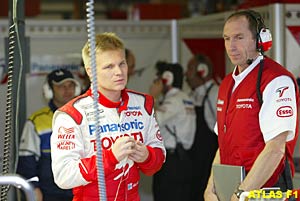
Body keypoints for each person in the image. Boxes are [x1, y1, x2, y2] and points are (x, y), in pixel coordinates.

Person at [50, 32, 166, 201]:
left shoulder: (142, 104)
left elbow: (158, 159)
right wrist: (110, 157)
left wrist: (147, 157)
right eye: (109, 67)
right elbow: (63, 176)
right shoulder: (72, 114)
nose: (119, 72)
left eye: (122, 64)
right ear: (90, 71)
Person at [204, 10, 299, 201]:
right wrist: (210, 188)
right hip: (234, 190)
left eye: (239, 37)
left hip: (266, 191)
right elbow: (222, 145)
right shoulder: (226, 84)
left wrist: (242, 193)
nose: (231, 46)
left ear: (260, 39)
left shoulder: (276, 80)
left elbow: (275, 149)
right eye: (227, 38)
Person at [17, 68, 81, 201]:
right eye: (61, 86)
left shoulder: (87, 117)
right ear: (49, 90)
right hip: (48, 194)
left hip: (80, 192)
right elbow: (26, 161)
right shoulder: (36, 121)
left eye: (70, 86)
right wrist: (33, 188)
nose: (67, 90)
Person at [149, 61, 196, 201]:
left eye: (158, 78)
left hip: (171, 162)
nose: (156, 81)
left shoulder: (173, 101)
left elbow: (152, 120)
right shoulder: (185, 98)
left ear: (167, 79)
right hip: (183, 160)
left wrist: (152, 96)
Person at [185, 54, 219, 201]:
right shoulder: (192, 94)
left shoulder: (214, 93)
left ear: (202, 71)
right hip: (194, 162)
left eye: (190, 69)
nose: (187, 74)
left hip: (209, 161)